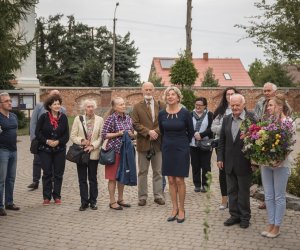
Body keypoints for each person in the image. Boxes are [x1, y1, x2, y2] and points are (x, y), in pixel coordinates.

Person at [217, 93, 256, 229]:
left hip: (245, 162)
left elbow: (257, 141)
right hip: (228, 162)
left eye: (237, 105)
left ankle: (245, 217)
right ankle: (234, 215)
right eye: (232, 105)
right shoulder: (227, 119)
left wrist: (254, 161)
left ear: (243, 105)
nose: (234, 108)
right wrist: (220, 157)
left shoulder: (251, 119)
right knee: (231, 190)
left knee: (243, 192)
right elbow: (222, 141)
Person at [260, 94, 295, 238]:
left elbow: (290, 145)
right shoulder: (268, 121)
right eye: (268, 105)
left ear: (279, 106)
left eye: (271, 105)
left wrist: (280, 159)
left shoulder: (288, 122)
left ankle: (277, 226)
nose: (268, 108)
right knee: (268, 196)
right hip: (266, 163)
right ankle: (270, 223)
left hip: (282, 164)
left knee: (279, 196)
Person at [158, 86, 194, 223]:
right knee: (171, 180)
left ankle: (182, 209)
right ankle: (174, 208)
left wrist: (183, 145)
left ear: (178, 97)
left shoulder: (185, 113)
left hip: (181, 149)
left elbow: (190, 132)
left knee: (179, 180)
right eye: (168, 95)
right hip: (167, 149)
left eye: (173, 94)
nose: (170, 96)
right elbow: (162, 131)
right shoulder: (162, 114)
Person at [131, 82, 165, 206]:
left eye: (150, 89)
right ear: (142, 90)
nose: (148, 92)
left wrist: (156, 132)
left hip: (157, 142)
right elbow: (135, 123)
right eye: (146, 89)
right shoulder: (137, 107)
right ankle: (142, 197)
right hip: (143, 143)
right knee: (142, 171)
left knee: (158, 171)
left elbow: (164, 122)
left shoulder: (161, 105)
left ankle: (158, 195)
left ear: (154, 90)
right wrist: (148, 132)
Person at [28, 89, 66, 190]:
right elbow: (33, 123)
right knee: (37, 160)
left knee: (54, 162)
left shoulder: (62, 109)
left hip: (55, 142)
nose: (55, 96)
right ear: (49, 95)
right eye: (53, 94)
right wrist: (34, 138)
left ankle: (53, 180)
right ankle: (35, 181)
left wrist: (58, 141)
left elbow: (64, 128)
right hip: (40, 139)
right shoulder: (39, 106)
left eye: (57, 95)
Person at [101, 97, 135, 210]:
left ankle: (120, 199)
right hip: (114, 152)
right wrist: (118, 133)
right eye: (120, 104)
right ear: (115, 107)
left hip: (125, 152)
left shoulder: (128, 118)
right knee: (112, 178)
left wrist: (131, 134)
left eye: (124, 104)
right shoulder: (111, 119)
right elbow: (104, 135)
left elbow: (133, 134)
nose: (123, 106)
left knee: (123, 175)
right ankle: (112, 201)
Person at [35, 94, 69, 205]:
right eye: (54, 104)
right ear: (49, 105)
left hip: (59, 149)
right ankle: (46, 197)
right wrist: (47, 141)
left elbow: (66, 135)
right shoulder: (44, 117)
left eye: (58, 104)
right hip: (45, 149)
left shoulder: (63, 117)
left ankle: (57, 196)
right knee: (47, 173)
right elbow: (37, 132)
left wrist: (58, 141)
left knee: (59, 174)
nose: (57, 106)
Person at [70, 99, 104, 211]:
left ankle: (93, 201)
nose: (90, 108)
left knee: (93, 178)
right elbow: (73, 136)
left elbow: (101, 137)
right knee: (82, 179)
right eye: (88, 106)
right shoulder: (78, 119)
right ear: (85, 108)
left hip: (93, 153)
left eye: (92, 106)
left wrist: (93, 146)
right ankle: (84, 202)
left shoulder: (100, 120)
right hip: (81, 153)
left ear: (95, 108)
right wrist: (82, 141)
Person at [212, 87, 239, 209]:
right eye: (227, 94)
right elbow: (213, 127)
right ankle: (224, 199)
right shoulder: (220, 110)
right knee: (222, 172)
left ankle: (236, 199)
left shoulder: (240, 109)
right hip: (221, 144)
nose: (230, 96)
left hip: (236, 145)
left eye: (232, 94)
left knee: (235, 171)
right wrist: (225, 129)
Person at [254, 82, 277, 209]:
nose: (266, 93)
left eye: (268, 91)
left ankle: (275, 199)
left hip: (276, 139)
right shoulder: (260, 103)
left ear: (274, 91)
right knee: (264, 170)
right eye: (265, 91)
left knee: (276, 169)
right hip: (262, 138)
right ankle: (267, 199)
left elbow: (287, 116)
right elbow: (256, 118)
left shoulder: (280, 102)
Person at [0, 92, 20, 216]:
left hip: (14, 150)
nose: (10, 103)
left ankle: (9, 202)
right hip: (2, 151)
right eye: (6, 101)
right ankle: (0, 206)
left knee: (11, 178)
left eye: (10, 101)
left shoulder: (13, 116)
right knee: (1, 179)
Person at [190, 97, 213, 193]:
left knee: (206, 165)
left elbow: (212, 128)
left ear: (205, 106)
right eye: (196, 104)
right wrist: (195, 133)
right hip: (193, 144)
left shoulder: (210, 114)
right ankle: (197, 184)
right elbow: (188, 126)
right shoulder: (190, 114)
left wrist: (201, 135)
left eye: (200, 105)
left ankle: (206, 185)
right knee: (195, 165)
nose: (198, 106)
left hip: (206, 144)